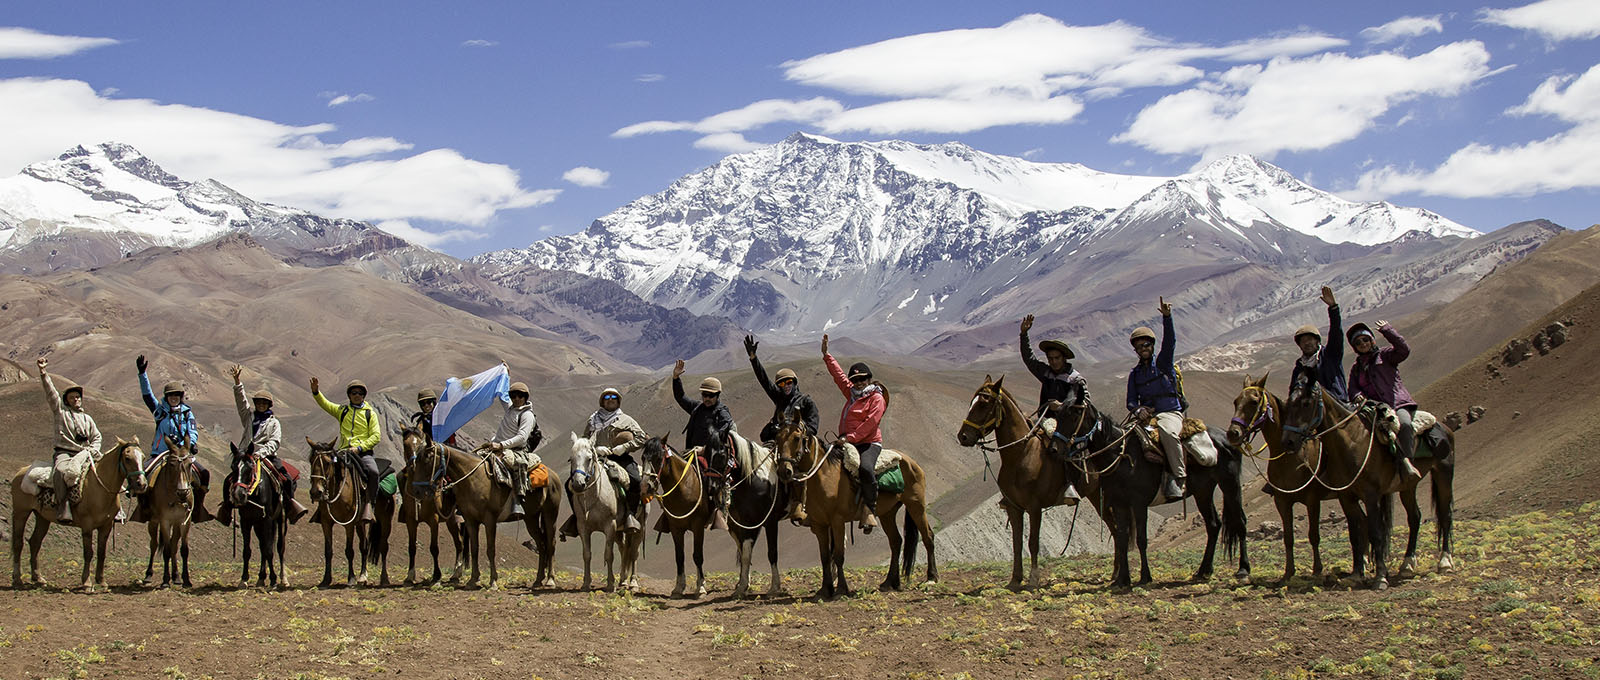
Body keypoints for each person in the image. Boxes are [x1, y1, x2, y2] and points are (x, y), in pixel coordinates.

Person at [743, 334, 819, 523]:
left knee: (792, 468)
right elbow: (764, 381)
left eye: (788, 382)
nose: (785, 386)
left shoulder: (806, 401)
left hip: (799, 446)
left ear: (795, 383)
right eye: (781, 383)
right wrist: (754, 359)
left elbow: (813, 426)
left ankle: (798, 504)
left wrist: (798, 433)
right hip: (779, 443)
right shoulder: (779, 399)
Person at [219, 365, 309, 525]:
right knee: (229, 480)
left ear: (269, 405)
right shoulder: (248, 416)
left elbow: (275, 441)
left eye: (264, 403)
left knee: (287, 479)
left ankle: (290, 507)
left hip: (265, 456)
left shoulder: (274, 423)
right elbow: (241, 402)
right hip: (247, 455)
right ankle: (226, 511)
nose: (261, 405)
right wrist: (237, 382)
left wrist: (261, 452)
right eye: (259, 402)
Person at [562, 388, 650, 538]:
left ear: (618, 401)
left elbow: (642, 437)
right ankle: (577, 517)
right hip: (596, 458)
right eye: (607, 397)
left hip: (620, 459)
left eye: (614, 397)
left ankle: (630, 515)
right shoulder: (593, 420)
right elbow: (584, 440)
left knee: (635, 480)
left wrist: (624, 447)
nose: (610, 399)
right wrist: (596, 449)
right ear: (602, 401)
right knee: (569, 483)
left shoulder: (626, 420)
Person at [821, 334, 886, 533]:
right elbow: (838, 376)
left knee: (865, 468)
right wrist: (826, 355)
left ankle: (870, 510)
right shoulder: (852, 393)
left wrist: (850, 438)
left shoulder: (876, 398)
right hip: (848, 442)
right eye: (855, 380)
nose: (858, 383)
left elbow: (870, 424)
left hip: (868, 444)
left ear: (869, 379)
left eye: (862, 379)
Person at [1018, 315, 1085, 507]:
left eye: (1057, 358)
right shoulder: (1046, 372)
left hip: (1067, 423)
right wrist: (1024, 334)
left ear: (1064, 358)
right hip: (1044, 418)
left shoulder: (1075, 379)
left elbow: (1076, 401)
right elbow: (1029, 359)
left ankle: (1069, 484)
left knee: (1061, 445)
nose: (1053, 362)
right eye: (1050, 358)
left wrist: (1061, 407)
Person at [137, 355, 212, 523]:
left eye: (176, 395)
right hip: (161, 453)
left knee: (205, 474)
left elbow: (192, 430)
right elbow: (147, 395)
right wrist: (142, 374)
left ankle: (198, 509)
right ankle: (143, 508)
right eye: (171, 395)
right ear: (166, 397)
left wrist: (191, 444)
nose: (173, 398)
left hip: (182, 454)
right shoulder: (160, 411)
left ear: (180, 396)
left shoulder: (187, 413)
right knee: (142, 475)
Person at [1346, 320, 1423, 481]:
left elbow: (1404, 351)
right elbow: (1352, 387)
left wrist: (1388, 331)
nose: (1363, 344)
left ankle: (1407, 463)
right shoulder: (1357, 367)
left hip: (1397, 404)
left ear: (1372, 340)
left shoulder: (1386, 355)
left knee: (1405, 425)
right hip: (1374, 408)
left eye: (1365, 340)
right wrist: (1356, 395)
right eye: (1358, 342)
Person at [1125, 298, 1186, 501]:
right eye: (1139, 346)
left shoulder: (1163, 363)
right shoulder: (1135, 374)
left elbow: (1170, 342)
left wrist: (1167, 318)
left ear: (1151, 345)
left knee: (1168, 433)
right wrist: (1137, 411)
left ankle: (1179, 477)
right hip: (1146, 417)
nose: (1143, 348)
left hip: (1169, 412)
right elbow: (1131, 401)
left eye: (1146, 344)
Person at [672, 359, 736, 531]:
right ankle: (671, 513)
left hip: (712, 456)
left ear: (717, 395)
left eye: (711, 395)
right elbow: (681, 398)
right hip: (691, 452)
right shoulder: (697, 408)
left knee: (712, 482)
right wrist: (676, 378)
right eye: (704, 395)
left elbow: (724, 434)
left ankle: (716, 511)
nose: (707, 398)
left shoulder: (722, 413)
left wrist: (704, 449)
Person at [310, 375, 382, 522]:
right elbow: (326, 404)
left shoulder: (370, 414)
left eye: (360, 393)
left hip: (362, 453)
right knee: (325, 469)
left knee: (374, 472)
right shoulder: (342, 411)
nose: (357, 396)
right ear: (349, 395)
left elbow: (376, 436)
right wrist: (316, 392)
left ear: (364, 396)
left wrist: (359, 448)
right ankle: (322, 508)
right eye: (354, 393)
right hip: (343, 452)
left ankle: (369, 505)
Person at [38, 358, 101, 524]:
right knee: (59, 471)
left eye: (78, 397)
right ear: (66, 400)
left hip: (86, 453)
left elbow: (97, 437)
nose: (76, 400)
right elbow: (51, 393)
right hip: (65, 452)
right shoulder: (61, 412)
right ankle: (63, 505)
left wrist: (93, 449)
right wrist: (44, 373)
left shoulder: (87, 419)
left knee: (110, 469)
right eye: (72, 397)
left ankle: (115, 508)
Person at [487, 381, 540, 523]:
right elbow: (502, 396)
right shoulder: (511, 409)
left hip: (516, 449)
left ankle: (517, 501)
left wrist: (502, 445)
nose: (517, 398)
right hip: (497, 446)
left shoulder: (527, 415)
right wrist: (505, 375)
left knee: (517, 463)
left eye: (520, 395)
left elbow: (522, 437)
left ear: (525, 397)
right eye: (514, 395)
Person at [1290, 286, 1348, 403]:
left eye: (1310, 339)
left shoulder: (1330, 355)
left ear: (1317, 341)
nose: (1307, 343)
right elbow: (1293, 391)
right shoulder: (1299, 367)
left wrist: (1333, 308)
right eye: (1303, 341)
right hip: (1311, 411)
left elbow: (1336, 334)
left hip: (1337, 404)